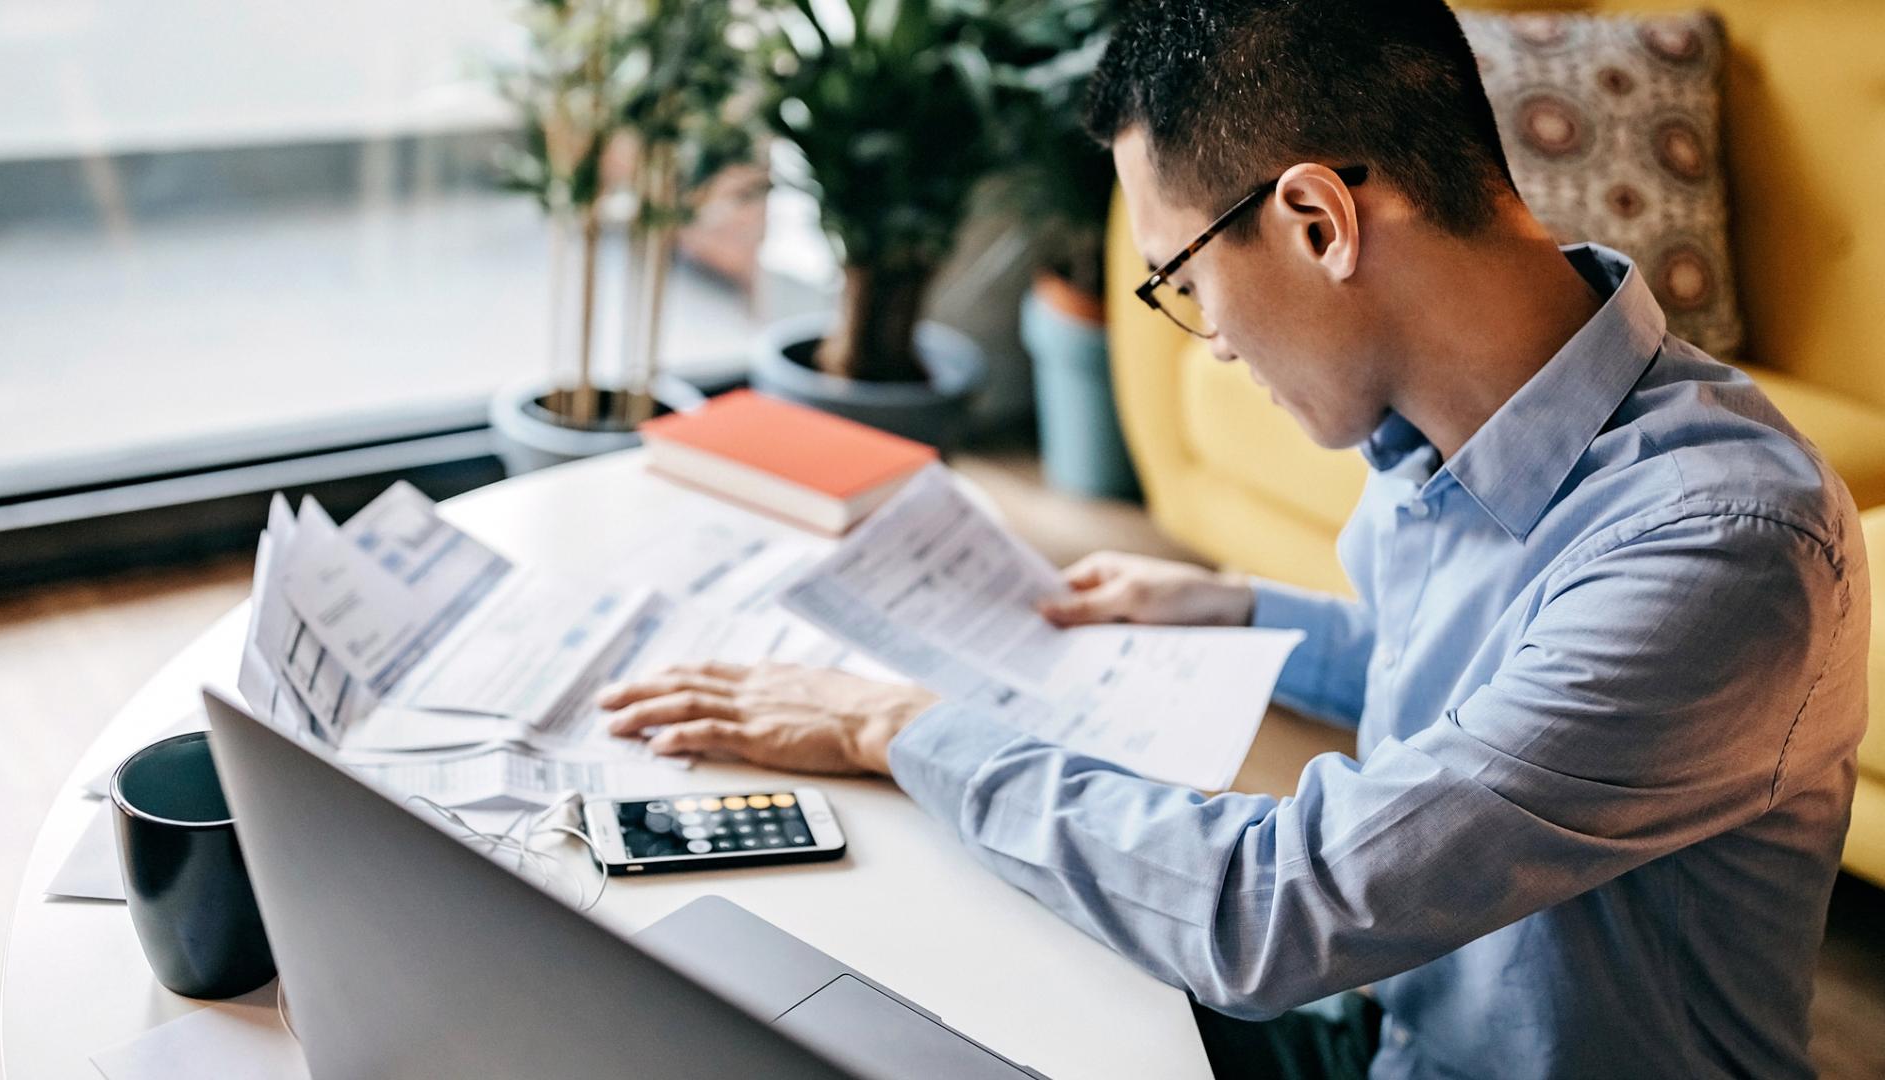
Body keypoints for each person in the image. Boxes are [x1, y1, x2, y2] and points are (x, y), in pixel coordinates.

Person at [596, 1, 1870, 1076]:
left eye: (1181, 280)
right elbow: (1463, 664)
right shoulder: (1455, 421)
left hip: (1415, 1024)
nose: (1203, 336)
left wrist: (895, 726)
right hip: (1392, 1024)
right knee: (941, 973)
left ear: (1319, 221)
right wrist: (1228, 607)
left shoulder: (1718, 549)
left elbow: (1278, 909)